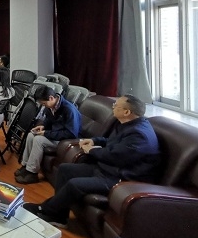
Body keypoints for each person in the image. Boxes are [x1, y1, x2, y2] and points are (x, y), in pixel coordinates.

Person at [23, 94, 160, 228]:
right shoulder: (129, 125)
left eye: (116, 105)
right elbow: (113, 143)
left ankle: (47, 209)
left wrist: (91, 150)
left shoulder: (139, 135)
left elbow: (114, 156)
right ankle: (58, 215)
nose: (113, 107)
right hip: (109, 169)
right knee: (65, 169)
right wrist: (94, 141)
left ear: (126, 112)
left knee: (74, 184)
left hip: (121, 178)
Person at [15, 85, 81, 184]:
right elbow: (48, 120)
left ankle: (32, 173)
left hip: (66, 140)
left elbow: (71, 134)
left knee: (38, 140)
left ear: (51, 98)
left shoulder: (69, 109)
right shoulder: (50, 106)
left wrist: (46, 133)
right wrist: (43, 126)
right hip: (55, 134)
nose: (44, 106)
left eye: (44, 103)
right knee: (31, 135)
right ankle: (25, 166)